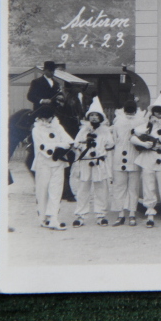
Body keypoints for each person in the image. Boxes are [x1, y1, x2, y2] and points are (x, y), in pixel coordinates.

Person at [131, 92, 161, 228]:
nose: (159, 114)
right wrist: (144, 143)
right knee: (148, 186)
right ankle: (150, 214)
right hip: (149, 157)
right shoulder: (147, 125)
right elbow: (133, 136)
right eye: (156, 111)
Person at [71, 96, 114, 228]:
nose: (94, 118)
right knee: (83, 189)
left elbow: (110, 145)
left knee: (101, 189)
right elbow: (76, 144)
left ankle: (100, 215)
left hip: (98, 163)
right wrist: (85, 141)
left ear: (101, 118)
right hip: (85, 163)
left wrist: (101, 144)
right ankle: (81, 215)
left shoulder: (105, 131)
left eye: (97, 115)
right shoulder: (83, 130)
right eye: (92, 115)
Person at [30, 105, 74, 230]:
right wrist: (59, 146)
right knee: (42, 191)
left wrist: (58, 147)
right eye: (43, 118)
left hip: (58, 163)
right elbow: (42, 146)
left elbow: (69, 142)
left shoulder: (58, 127)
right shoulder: (36, 129)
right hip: (43, 164)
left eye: (48, 118)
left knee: (56, 191)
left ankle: (53, 218)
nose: (46, 120)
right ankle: (43, 218)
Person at [110, 101, 146, 227]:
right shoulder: (119, 122)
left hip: (133, 156)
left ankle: (130, 214)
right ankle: (122, 214)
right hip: (122, 157)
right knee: (122, 187)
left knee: (131, 188)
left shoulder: (140, 122)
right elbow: (114, 140)